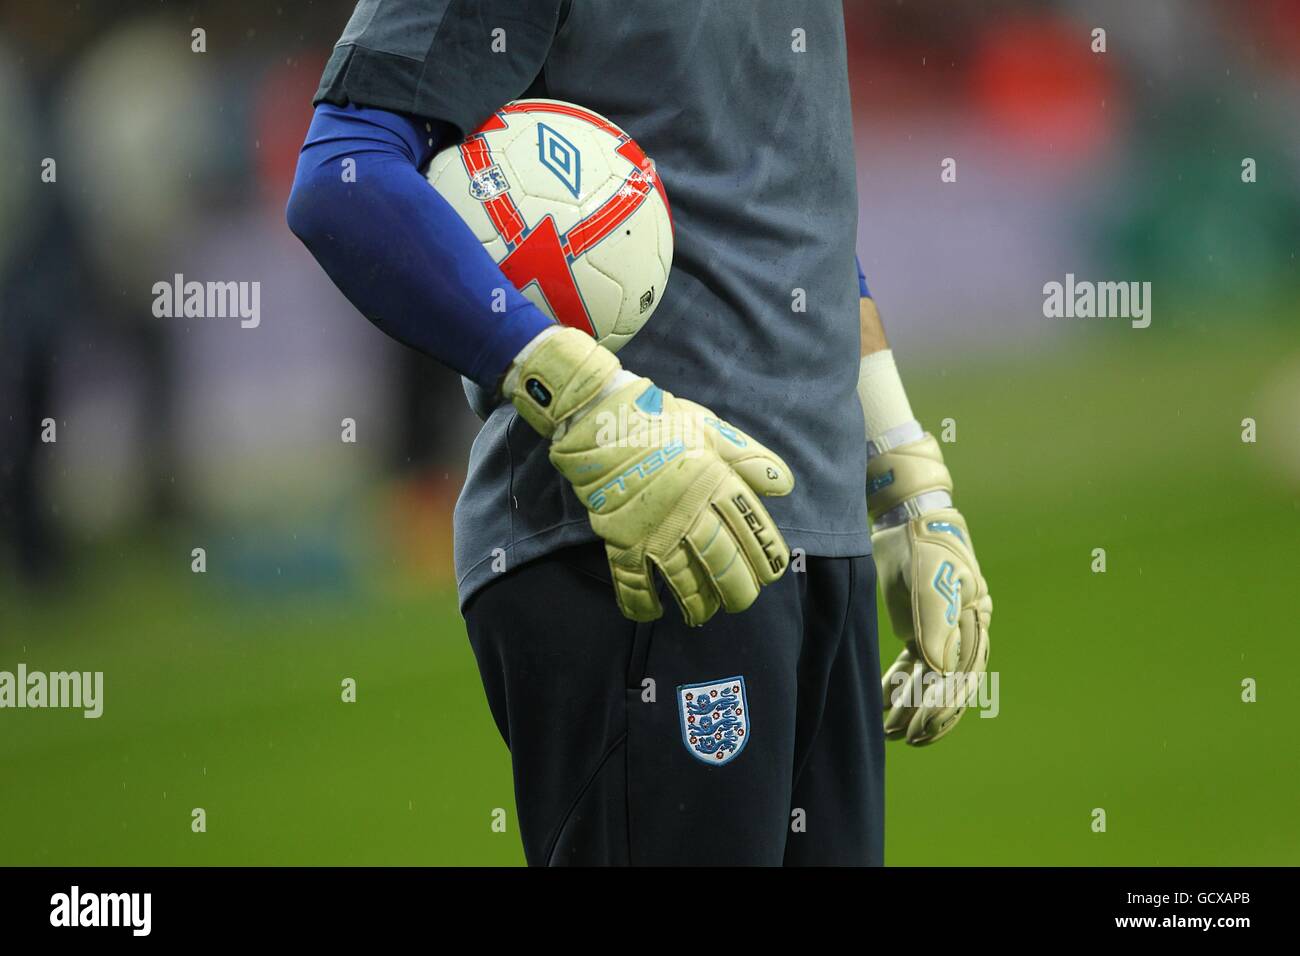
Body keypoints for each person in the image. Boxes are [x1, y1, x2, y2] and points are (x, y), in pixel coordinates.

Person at [287, 0, 991, 866]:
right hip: (636, 545)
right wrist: (587, 401)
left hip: (814, 533)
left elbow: (782, 201)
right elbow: (344, 175)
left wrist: (903, 472)